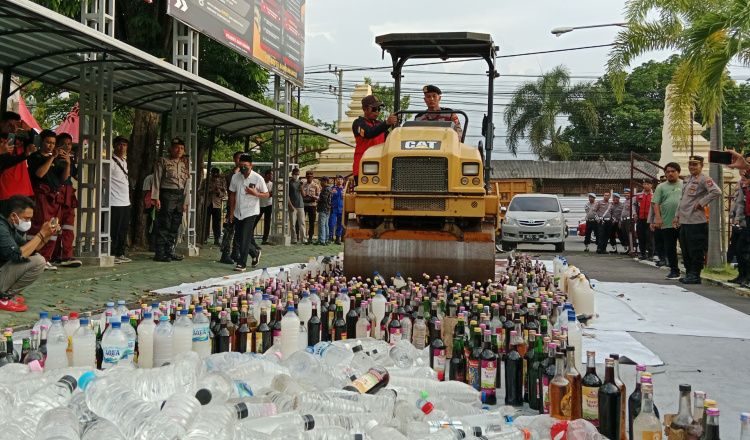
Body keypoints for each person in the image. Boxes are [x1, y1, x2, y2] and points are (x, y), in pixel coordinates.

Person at [26, 129, 82, 270]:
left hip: (55, 195)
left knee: (53, 228)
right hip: (41, 195)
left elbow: (64, 178)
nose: (51, 146)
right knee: (40, 225)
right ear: (41, 142)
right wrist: (51, 158)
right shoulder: (36, 157)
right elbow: (39, 174)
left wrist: (68, 163)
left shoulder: (58, 160)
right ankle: (34, 257)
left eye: (53, 143)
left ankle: (46, 259)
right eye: (48, 142)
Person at [0, 195, 60, 311]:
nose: (28, 222)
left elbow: (30, 250)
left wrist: (47, 235)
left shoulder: (8, 225)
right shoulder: (1, 228)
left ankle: (7, 295)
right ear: (13, 215)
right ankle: (4, 297)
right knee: (38, 262)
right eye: (26, 218)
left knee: (36, 257)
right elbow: (17, 255)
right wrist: (41, 234)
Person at [674, 155, 722, 284]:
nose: (692, 167)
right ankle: (689, 273)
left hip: (696, 221)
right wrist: (677, 215)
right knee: (686, 249)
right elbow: (682, 199)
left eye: (695, 164)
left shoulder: (704, 179)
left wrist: (702, 202)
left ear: (701, 165)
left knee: (695, 250)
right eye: (690, 164)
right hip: (684, 220)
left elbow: (716, 191)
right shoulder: (687, 179)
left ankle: (695, 275)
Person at [151, 137, 190, 262]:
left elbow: (187, 183)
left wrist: (185, 202)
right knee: (164, 223)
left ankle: (170, 249)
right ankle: (160, 251)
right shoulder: (163, 161)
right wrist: (156, 198)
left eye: (182, 148)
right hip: (167, 194)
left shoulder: (184, 163)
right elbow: (156, 180)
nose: (179, 150)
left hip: (179, 195)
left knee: (175, 224)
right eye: (177, 147)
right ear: (171, 148)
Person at [227, 155, 268, 271]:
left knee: (245, 236)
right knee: (239, 239)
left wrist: (255, 194)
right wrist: (231, 213)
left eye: (245, 166)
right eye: (241, 166)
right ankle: (254, 252)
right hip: (238, 211)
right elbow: (232, 195)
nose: (243, 168)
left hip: (251, 211)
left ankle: (242, 263)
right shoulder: (236, 177)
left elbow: (266, 194)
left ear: (251, 165)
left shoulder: (258, 178)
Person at [352, 95, 398, 186]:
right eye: (374, 109)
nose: (377, 111)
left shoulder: (380, 125)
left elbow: (391, 140)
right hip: (363, 168)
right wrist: (387, 123)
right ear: (365, 109)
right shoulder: (358, 124)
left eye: (378, 109)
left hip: (381, 166)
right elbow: (369, 133)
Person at [653, 163, 684, 280]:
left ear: (678, 172)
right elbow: (656, 203)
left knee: (685, 247)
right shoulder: (661, 187)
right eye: (668, 171)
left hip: (683, 222)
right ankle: (674, 271)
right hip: (667, 222)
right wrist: (658, 218)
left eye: (673, 171)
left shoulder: (684, 184)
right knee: (670, 247)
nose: (670, 173)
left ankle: (690, 270)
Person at [0, 112, 36, 204]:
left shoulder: (21, 140)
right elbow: (6, 162)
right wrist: (25, 155)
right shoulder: (2, 142)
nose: (13, 128)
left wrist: (29, 129)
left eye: (16, 125)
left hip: (23, 189)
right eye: (10, 125)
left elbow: (39, 142)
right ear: (2, 124)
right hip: (6, 191)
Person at [107, 135, 131, 264]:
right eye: (120, 144)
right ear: (114, 145)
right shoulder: (110, 161)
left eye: (125, 145)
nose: (122, 147)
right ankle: (112, 253)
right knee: (114, 229)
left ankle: (121, 252)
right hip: (114, 200)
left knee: (123, 229)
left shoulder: (124, 161)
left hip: (125, 200)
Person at [219, 151, 243, 263]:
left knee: (240, 231)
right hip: (232, 205)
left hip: (243, 206)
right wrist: (238, 169)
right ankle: (225, 252)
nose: (241, 161)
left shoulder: (246, 173)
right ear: (234, 159)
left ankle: (235, 252)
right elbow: (230, 180)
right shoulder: (231, 173)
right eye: (239, 158)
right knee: (229, 230)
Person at [728, 178, 746, 284]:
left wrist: (739, 218)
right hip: (737, 220)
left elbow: (743, 203)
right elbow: (737, 201)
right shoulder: (740, 182)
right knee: (737, 250)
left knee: (743, 250)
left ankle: (746, 276)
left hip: (744, 221)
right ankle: (741, 275)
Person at [206, 167, 226, 246]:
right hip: (207, 204)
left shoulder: (221, 182)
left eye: (217, 176)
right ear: (211, 174)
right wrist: (211, 190)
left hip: (217, 204)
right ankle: (204, 238)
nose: (215, 178)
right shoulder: (205, 181)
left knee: (217, 223)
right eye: (214, 176)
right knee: (206, 222)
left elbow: (224, 193)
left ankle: (216, 239)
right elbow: (200, 192)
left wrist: (218, 192)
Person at [635, 179, 655, 260]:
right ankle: (642, 253)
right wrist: (634, 213)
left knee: (650, 237)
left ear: (651, 185)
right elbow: (634, 204)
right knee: (641, 237)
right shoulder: (638, 194)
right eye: (644, 184)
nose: (645, 186)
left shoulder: (655, 194)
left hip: (650, 219)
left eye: (647, 184)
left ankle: (650, 254)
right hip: (640, 219)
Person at [253, 169, 273, 245]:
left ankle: (265, 239)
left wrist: (265, 193)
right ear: (267, 175)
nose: (272, 176)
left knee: (267, 223)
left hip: (269, 204)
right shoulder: (260, 183)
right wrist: (266, 193)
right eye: (271, 174)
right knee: (255, 221)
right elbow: (258, 192)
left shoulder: (272, 184)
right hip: (260, 205)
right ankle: (250, 236)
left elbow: (272, 194)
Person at [301, 170, 320, 245]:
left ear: (313, 177)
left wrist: (312, 196)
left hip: (312, 205)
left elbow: (318, 196)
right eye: (308, 176)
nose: (309, 178)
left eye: (310, 176)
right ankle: (302, 237)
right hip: (304, 205)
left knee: (312, 222)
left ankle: (310, 238)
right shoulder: (303, 185)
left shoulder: (316, 186)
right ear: (306, 177)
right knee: (302, 222)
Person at [288, 167, 306, 244]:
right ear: (292, 174)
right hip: (293, 205)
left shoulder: (300, 182)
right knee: (292, 223)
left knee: (302, 223)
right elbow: (287, 195)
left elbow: (304, 195)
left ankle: (304, 239)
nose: (296, 176)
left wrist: (301, 188)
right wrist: (290, 205)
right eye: (295, 174)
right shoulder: (289, 183)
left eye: (298, 174)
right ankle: (293, 239)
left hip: (301, 205)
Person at [142, 172, 158, 252]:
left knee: (157, 224)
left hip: (158, 204)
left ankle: (156, 244)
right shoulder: (150, 178)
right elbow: (145, 191)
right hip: (151, 203)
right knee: (152, 224)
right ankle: (151, 245)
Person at [329, 174, 345, 245]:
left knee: (340, 224)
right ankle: (330, 236)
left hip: (341, 209)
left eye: (341, 179)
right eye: (338, 179)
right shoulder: (332, 189)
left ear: (343, 181)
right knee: (331, 223)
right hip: (333, 209)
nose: (339, 180)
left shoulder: (345, 189)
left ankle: (338, 238)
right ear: (336, 180)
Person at [317, 176, 332, 245]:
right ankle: (326, 239)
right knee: (326, 225)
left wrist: (318, 199)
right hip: (328, 209)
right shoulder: (329, 188)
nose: (321, 182)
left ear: (325, 181)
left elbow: (324, 199)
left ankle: (321, 240)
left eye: (322, 181)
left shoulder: (325, 189)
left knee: (321, 225)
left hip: (323, 208)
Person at [619, 188, 635, 254]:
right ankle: (628, 249)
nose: (626, 194)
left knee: (630, 234)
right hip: (624, 220)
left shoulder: (633, 201)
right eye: (625, 193)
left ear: (631, 194)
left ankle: (632, 249)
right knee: (625, 234)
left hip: (629, 219)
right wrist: (620, 221)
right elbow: (622, 212)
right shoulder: (625, 202)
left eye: (627, 193)